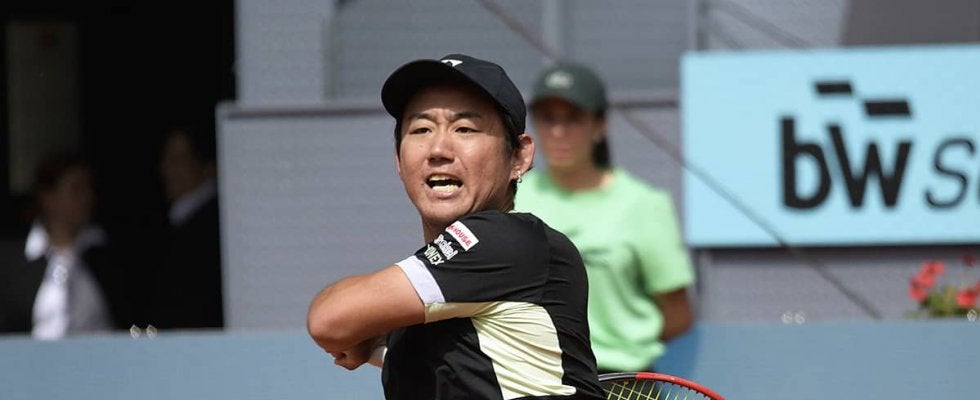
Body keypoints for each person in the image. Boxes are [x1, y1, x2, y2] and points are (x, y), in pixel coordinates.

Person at [306, 54, 605, 400]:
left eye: (464, 129)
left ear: (519, 157)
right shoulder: (425, 316)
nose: (438, 149)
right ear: (398, 159)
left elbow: (329, 319)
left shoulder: (508, 241)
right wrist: (378, 342)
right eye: (421, 129)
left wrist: (366, 333)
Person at [514, 63, 695, 373]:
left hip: (623, 382)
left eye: (573, 119)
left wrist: (623, 348)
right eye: (548, 118)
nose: (558, 132)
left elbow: (678, 313)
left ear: (600, 126)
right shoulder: (511, 197)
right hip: (535, 378)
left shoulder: (643, 204)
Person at [0, 151, 126, 338]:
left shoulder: (107, 255)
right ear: (47, 197)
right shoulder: (11, 261)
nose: (87, 198)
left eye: (88, 189)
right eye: (76, 190)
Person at [143, 125, 223, 329]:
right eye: (166, 159)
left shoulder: (214, 226)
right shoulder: (172, 222)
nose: (167, 169)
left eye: (178, 159)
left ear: (207, 166)